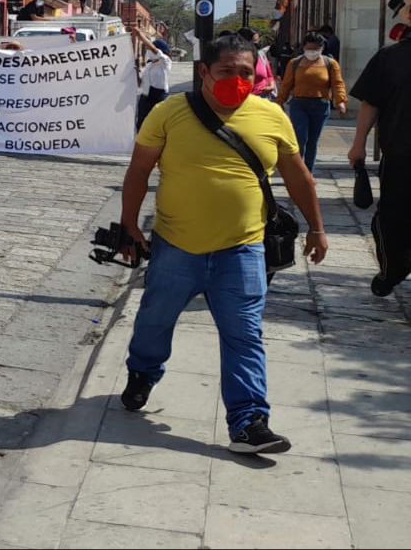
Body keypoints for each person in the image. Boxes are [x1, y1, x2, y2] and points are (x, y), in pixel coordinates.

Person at [118, 34, 328, 455]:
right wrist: (129, 226)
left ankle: (249, 422)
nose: (237, 78)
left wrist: (317, 228)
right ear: (204, 72)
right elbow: (139, 171)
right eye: (226, 71)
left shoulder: (271, 116)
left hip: (243, 249)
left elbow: (298, 175)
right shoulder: (169, 112)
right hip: (176, 247)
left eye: (245, 72)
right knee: (154, 322)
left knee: (244, 335)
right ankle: (142, 371)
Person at [349, 23, 411, 297]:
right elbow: (370, 102)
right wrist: (358, 144)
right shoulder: (390, 58)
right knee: (391, 220)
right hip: (400, 157)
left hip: (399, 155)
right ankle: (393, 269)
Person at [277, 32, 348, 172]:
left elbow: (337, 83)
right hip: (299, 104)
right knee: (300, 137)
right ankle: (297, 170)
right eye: (309, 49)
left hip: (320, 105)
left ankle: (308, 171)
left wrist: (340, 101)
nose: (312, 52)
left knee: (312, 141)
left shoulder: (330, 64)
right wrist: (280, 101)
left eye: (315, 49)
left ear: (321, 48)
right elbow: (286, 84)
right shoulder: (295, 63)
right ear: (303, 48)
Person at [136, 34, 172, 131]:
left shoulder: (165, 62)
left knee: (158, 126)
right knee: (142, 126)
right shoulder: (149, 65)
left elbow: (154, 50)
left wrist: (139, 34)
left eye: (150, 49)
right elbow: (140, 83)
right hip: (145, 97)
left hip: (159, 96)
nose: (149, 51)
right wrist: (137, 73)